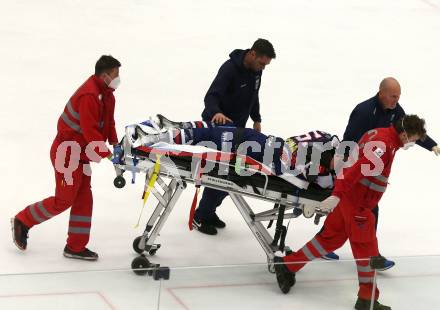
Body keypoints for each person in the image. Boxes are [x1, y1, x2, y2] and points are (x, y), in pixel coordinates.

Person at [273, 115, 427, 310]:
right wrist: (337, 195)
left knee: (330, 239)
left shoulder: (380, 134)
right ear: (405, 134)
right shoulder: (383, 146)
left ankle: (287, 265)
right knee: (367, 251)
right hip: (357, 204)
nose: (412, 143)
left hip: (349, 200)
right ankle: (366, 299)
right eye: (413, 140)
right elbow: (355, 170)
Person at [11, 55, 122, 261]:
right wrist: (108, 155)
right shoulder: (89, 95)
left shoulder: (108, 95)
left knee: (84, 198)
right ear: (104, 75)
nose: (118, 78)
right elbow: (90, 131)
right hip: (67, 153)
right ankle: (22, 220)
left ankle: (76, 246)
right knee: (64, 199)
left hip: (82, 154)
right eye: (115, 74)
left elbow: (109, 123)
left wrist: (116, 145)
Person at [324, 77, 439, 266]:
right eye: (393, 96)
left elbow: (410, 130)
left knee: (359, 208)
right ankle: (371, 256)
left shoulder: (396, 111)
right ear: (381, 92)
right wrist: (341, 170)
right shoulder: (364, 111)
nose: (396, 100)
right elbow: (349, 140)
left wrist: (432, 145)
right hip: (356, 163)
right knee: (365, 208)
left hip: (373, 166)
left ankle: (335, 248)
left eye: (398, 96)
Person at [197, 38, 276, 235]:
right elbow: (211, 96)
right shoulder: (229, 69)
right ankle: (201, 215)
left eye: (266, 65)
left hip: (239, 131)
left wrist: (256, 118)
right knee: (221, 173)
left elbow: (254, 95)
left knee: (235, 175)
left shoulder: (256, 72)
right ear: (252, 54)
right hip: (218, 129)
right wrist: (216, 112)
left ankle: (208, 211)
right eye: (261, 63)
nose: (263, 68)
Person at [125, 117, 339, 189]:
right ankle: (152, 138)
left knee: (209, 133)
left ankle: (161, 134)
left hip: (263, 144)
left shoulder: (324, 137)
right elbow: (315, 180)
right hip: (260, 152)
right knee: (207, 136)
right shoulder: (323, 171)